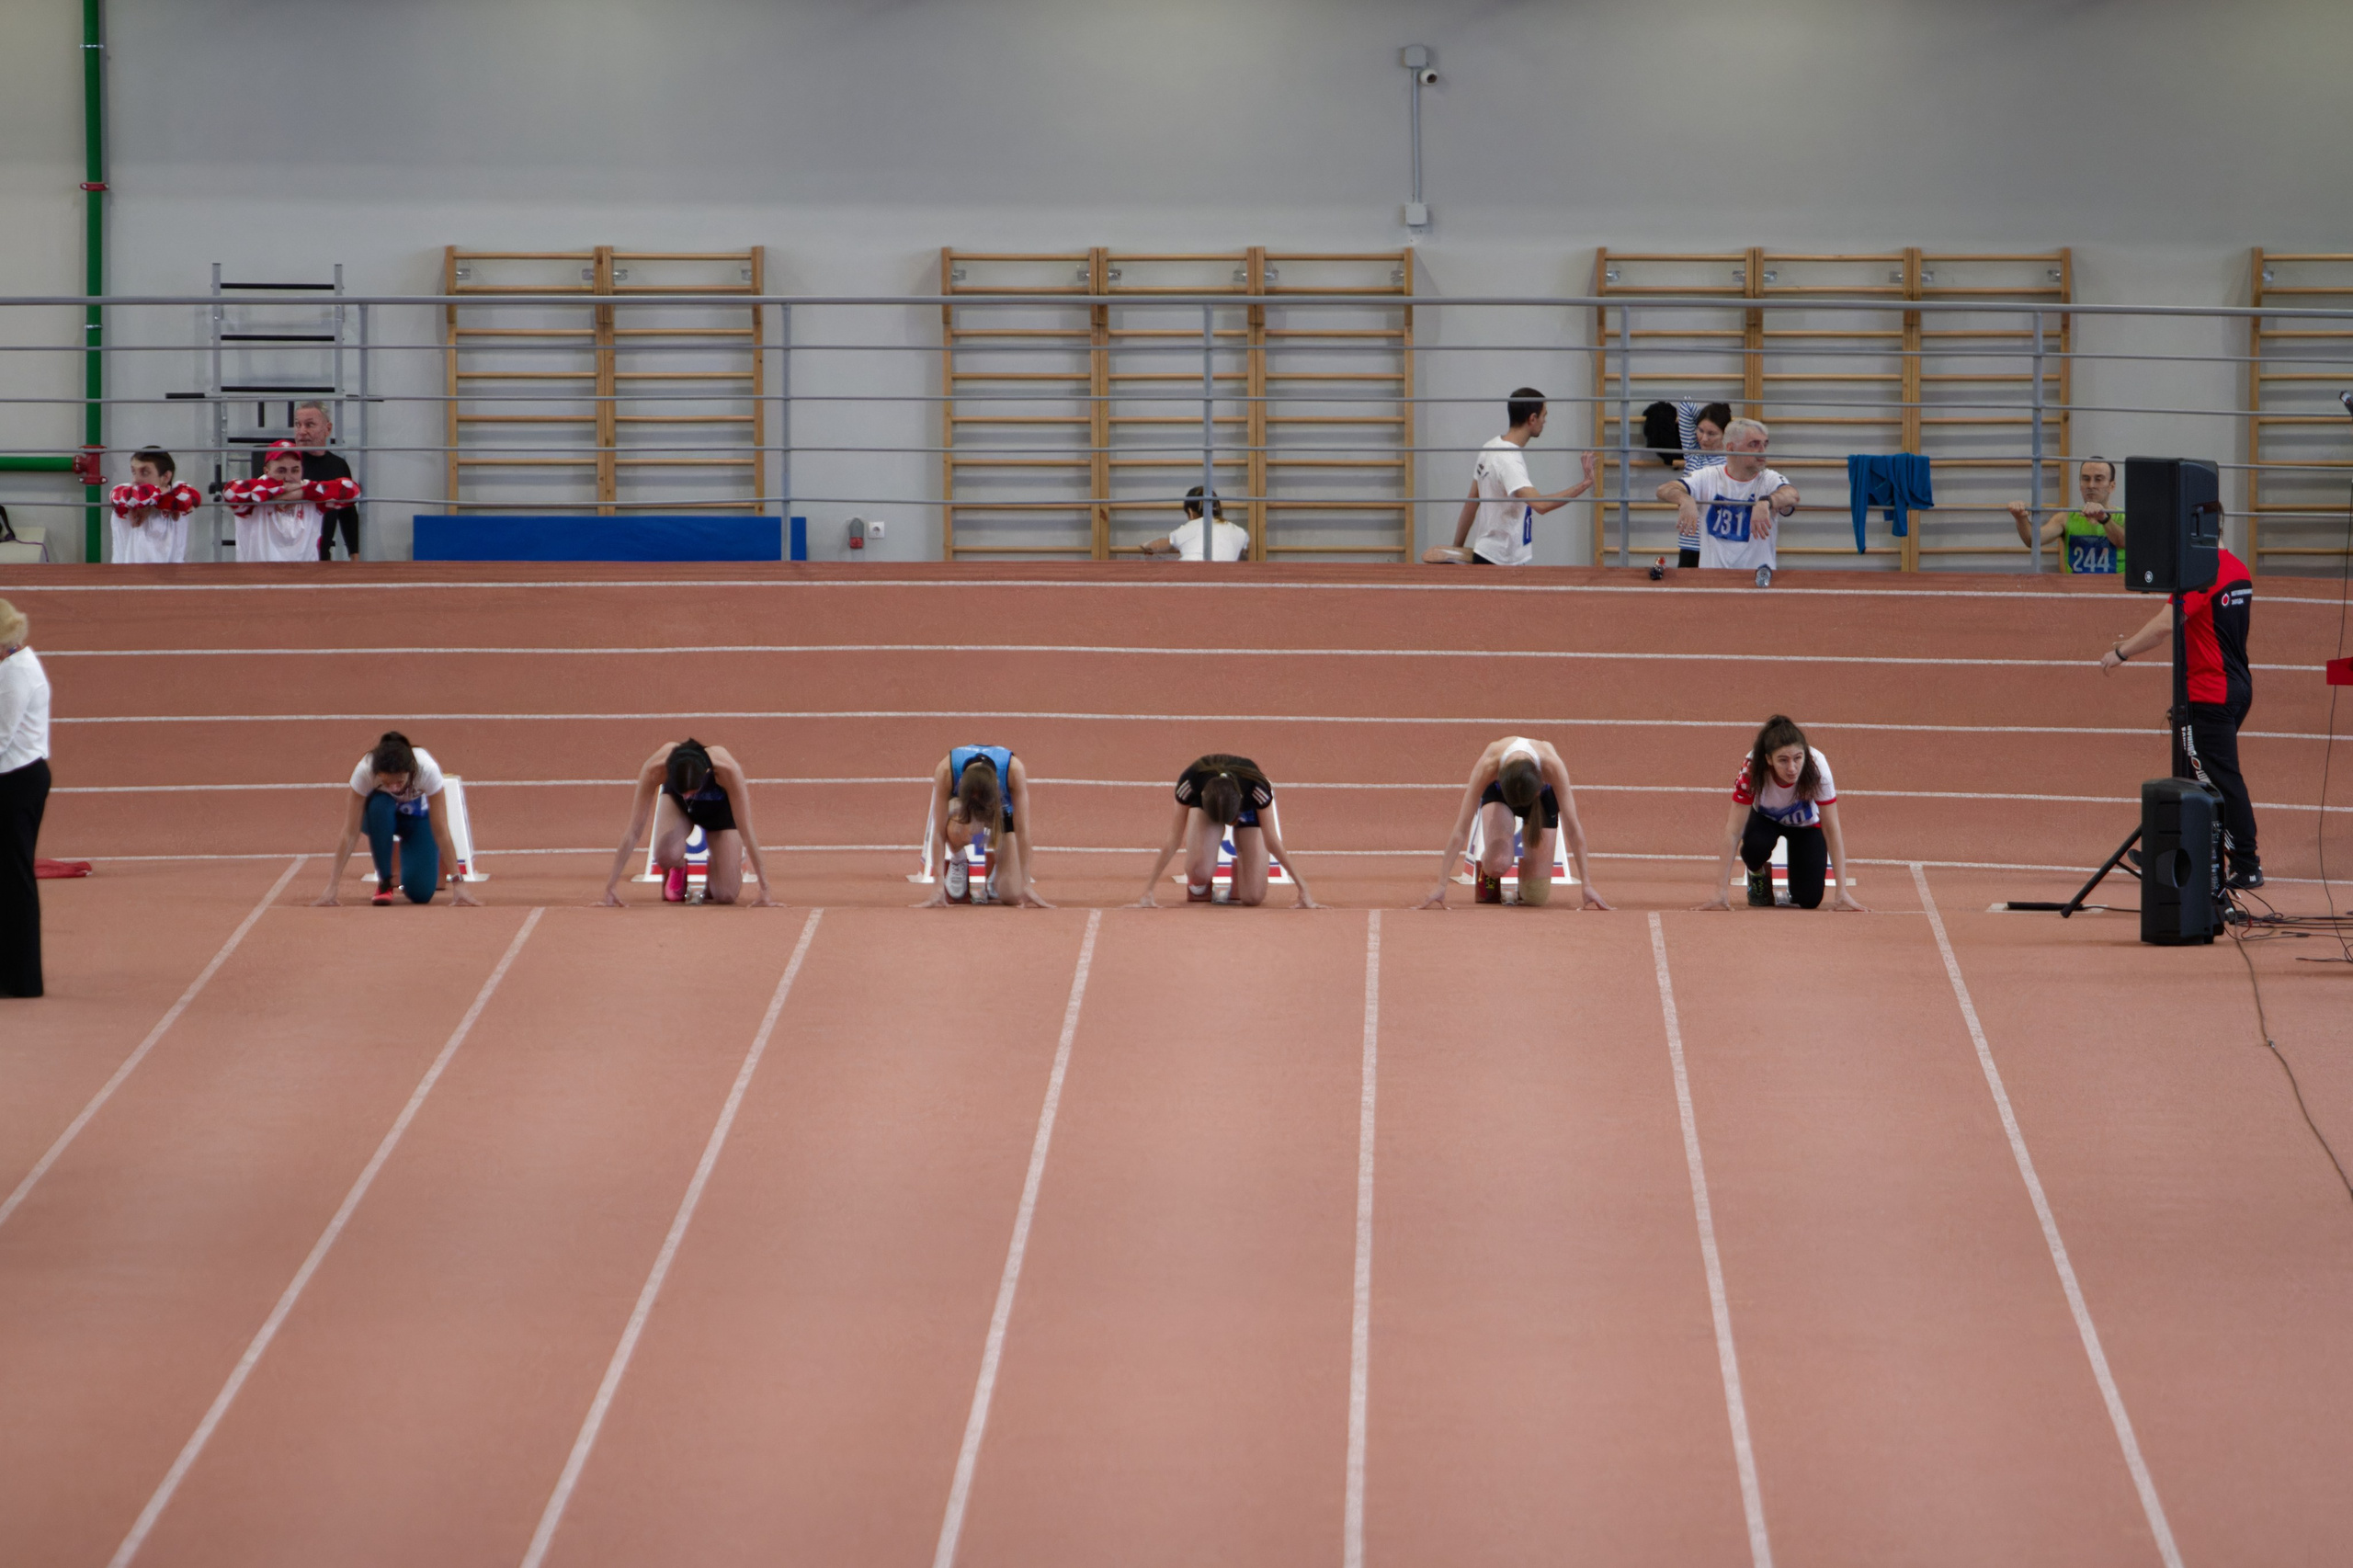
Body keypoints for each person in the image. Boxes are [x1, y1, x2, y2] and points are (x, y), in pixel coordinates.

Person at [2100, 545, 2260, 887]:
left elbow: (2164, 625)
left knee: (2218, 779)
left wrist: (2121, 652)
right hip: (2235, 684)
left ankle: (2247, 862)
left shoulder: (2200, 575)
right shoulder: (2237, 567)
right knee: (2189, 773)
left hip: (2210, 693)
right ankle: (2176, 846)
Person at [1415, 736, 1608, 909]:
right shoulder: (1489, 764)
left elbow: (1573, 829)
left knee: (1536, 896)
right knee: (1497, 864)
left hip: (1541, 801)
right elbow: (1461, 828)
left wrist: (1587, 885)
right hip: (1501, 795)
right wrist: (1441, 885)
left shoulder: (1552, 766)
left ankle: (1527, 878)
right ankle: (1490, 860)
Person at [1698, 715, 1866, 912]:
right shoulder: (1752, 769)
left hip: (1806, 826)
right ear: (1768, 759)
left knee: (1809, 899)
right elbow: (1733, 831)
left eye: (1797, 758)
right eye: (1783, 760)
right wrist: (1720, 891)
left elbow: (1832, 829)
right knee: (1753, 848)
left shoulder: (1817, 767)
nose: (1792, 768)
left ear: (1805, 754)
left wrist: (1842, 891)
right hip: (1765, 821)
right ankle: (1758, 873)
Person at [1422, 388, 1600, 565]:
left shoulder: (1490, 447)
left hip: (1487, 555)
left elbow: (1470, 504)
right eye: (1544, 415)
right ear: (1532, 418)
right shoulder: (1509, 461)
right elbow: (1541, 505)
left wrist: (1456, 550)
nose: (1545, 421)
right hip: (1501, 561)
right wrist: (1585, 484)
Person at [598, 738, 779, 906]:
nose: (687, 796)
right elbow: (634, 831)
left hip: (719, 810)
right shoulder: (655, 768)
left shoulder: (727, 770)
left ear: (706, 774)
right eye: (683, 791)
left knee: (725, 895)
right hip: (680, 809)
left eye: (692, 791)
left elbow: (746, 829)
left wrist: (765, 889)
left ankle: (719, 865)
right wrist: (610, 886)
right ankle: (677, 869)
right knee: (666, 853)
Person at [312, 732, 483, 908]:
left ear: (411, 770)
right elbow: (350, 832)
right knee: (380, 806)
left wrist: (459, 883)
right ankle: (385, 882)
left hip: (416, 819)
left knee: (421, 893)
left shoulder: (428, 770)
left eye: (400, 782)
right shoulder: (365, 770)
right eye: (387, 783)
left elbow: (441, 830)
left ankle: (410, 854)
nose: (395, 788)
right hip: (378, 816)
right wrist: (332, 886)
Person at [1131, 753, 1320, 908]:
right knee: (1198, 872)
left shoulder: (1258, 788)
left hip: (1248, 806)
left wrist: (1303, 888)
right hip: (1209, 802)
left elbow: (1272, 841)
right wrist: (1148, 890)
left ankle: (1241, 870)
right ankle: (1201, 882)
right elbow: (1173, 839)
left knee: (1253, 898)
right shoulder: (1190, 782)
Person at [1664, 417, 1798, 582]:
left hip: (1756, 582)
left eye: (1765, 444)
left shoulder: (1769, 479)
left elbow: (1791, 494)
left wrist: (1767, 502)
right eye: (1754, 444)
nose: (1763, 451)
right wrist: (1685, 499)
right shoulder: (1709, 476)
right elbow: (1665, 489)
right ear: (1731, 448)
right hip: (1713, 581)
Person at [916, 744, 1050, 908]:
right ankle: (958, 860)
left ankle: (998, 863)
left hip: (1000, 815)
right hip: (963, 810)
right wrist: (937, 887)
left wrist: (1026, 884)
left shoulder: (1014, 770)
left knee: (1012, 896)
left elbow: (1022, 830)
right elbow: (938, 831)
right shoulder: (946, 770)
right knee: (955, 820)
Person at [0, 599, 52, 996]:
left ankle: (22, 979)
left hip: (15, 784)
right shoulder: (13, 664)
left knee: (15, 881)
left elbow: (0, 740)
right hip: (18, 778)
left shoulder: (14, 676)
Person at [247, 402, 361, 561]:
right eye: (297, 424)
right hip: (276, 558)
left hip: (319, 558)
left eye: (309, 425)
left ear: (327, 429)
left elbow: (348, 513)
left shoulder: (338, 466)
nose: (301, 431)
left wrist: (354, 555)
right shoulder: (282, 462)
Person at [226, 441, 359, 563]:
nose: (289, 477)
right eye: (281, 471)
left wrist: (301, 493)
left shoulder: (312, 495)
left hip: (305, 580)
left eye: (295, 470)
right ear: (267, 472)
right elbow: (230, 493)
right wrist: (281, 492)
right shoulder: (251, 497)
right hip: (259, 580)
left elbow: (353, 491)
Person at [2007, 458, 2125, 576]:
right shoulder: (2065, 518)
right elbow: (2033, 540)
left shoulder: (2124, 517)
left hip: (2116, 590)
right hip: (2078, 590)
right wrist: (2020, 517)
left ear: (2112, 486)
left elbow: (2124, 542)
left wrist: (2103, 517)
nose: (2091, 485)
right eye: (2086, 479)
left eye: (2098, 479)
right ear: (2080, 485)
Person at [1655, 400, 1732, 567]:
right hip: (1690, 541)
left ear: (1725, 435)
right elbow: (1686, 405)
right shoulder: (1693, 450)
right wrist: (1710, 413)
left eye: (1712, 434)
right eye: (1700, 430)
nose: (1704, 438)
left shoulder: (1729, 462)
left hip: (1717, 544)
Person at [108, 448, 200, 564]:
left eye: (145, 473)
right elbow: (120, 496)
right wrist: (158, 500)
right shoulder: (125, 494)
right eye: (134, 472)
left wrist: (155, 504)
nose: (135, 479)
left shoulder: (179, 496)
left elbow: (193, 497)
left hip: (173, 576)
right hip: (129, 576)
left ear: (166, 477)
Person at [1141, 486, 1250, 561]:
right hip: (1224, 580)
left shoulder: (1189, 528)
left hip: (1189, 574)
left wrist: (1146, 545)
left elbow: (1158, 545)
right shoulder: (1240, 532)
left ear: (1190, 512)